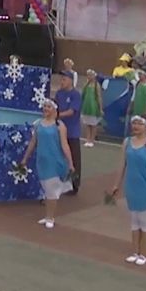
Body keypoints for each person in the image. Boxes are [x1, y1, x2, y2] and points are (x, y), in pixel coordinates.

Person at [110, 116, 146, 266]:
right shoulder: (127, 142)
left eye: (139, 124)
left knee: (145, 222)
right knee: (135, 222)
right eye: (134, 123)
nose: (135, 126)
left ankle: (143, 253)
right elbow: (122, 164)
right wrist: (116, 184)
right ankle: (135, 251)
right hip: (132, 187)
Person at [21, 98, 74, 229]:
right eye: (44, 106)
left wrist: (71, 163)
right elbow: (33, 142)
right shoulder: (38, 124)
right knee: (47, 189)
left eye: (48, 107)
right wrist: (25, 159)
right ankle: (47, 215)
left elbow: (64, 145)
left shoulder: (59, 126)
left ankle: (50, 216)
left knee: (52, 191)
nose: (46, 109)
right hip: (42, 162)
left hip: (55, 162)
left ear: (54, 109)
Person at [54, 69, 83, 194]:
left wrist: (57, 115)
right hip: (59, 130)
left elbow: (72, 111)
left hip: (72, 132)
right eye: (61, 79)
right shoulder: (59, 93)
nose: (61, 82)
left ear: (71, 81)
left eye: (64, 79)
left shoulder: (75, 94)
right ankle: (60, 182)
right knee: (59, 157)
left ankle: (75, 184)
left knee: (74, 158)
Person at [80, 70, 103, 148]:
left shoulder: (97, 85)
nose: (89, 77)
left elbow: (99, 97)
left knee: (93, 125)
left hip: (93, 107)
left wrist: (100, 108)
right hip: (86, 107)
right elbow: (83, 95)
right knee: (87, 124)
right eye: (88, 75)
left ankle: (92, 140)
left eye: (91, 75)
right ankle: (88, 139)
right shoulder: (86, 85)